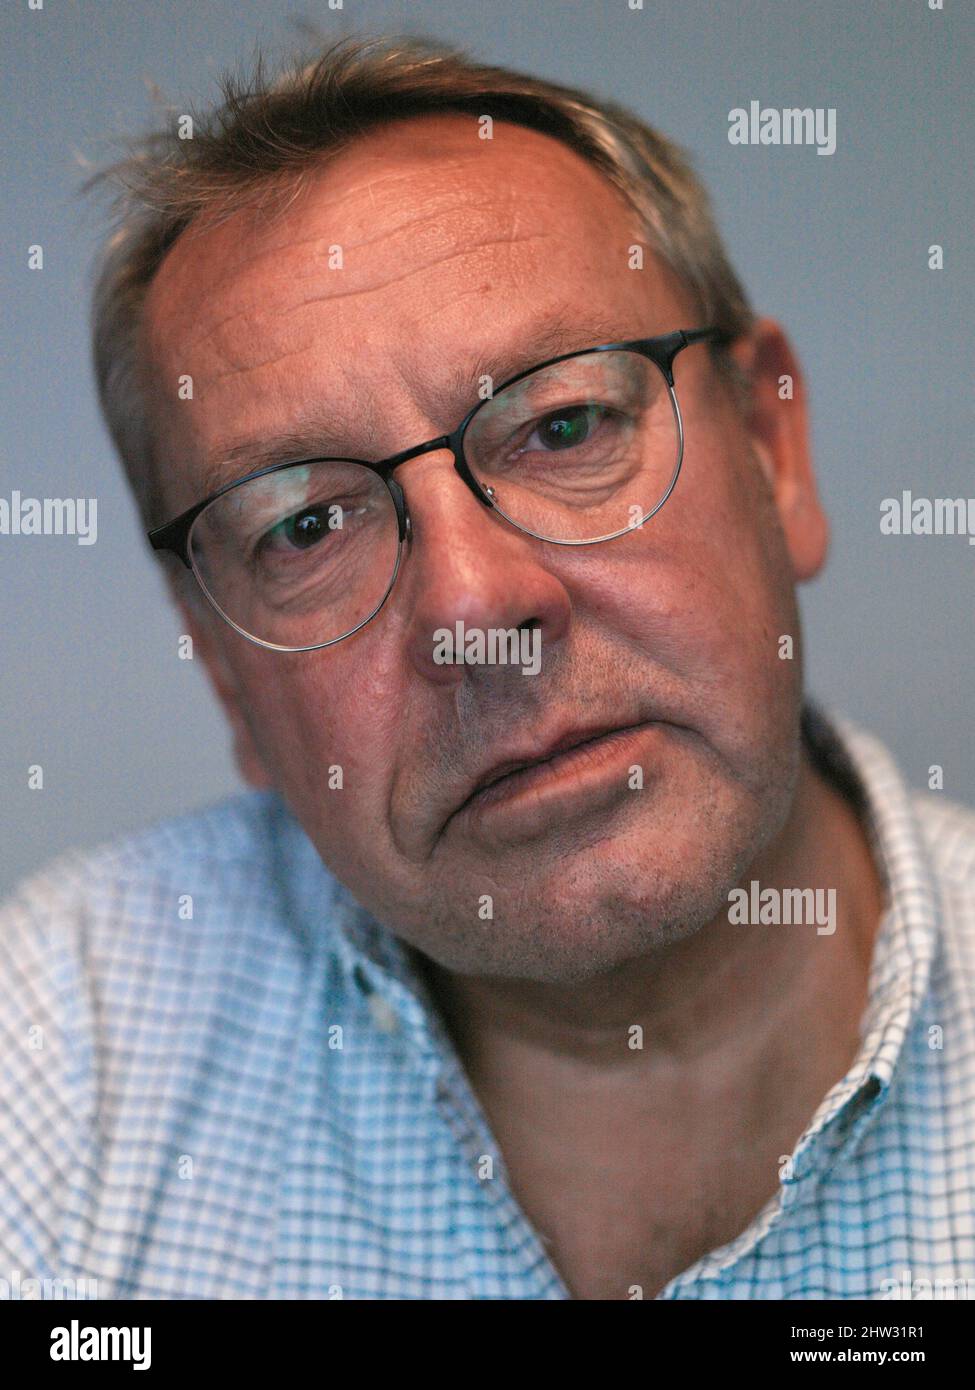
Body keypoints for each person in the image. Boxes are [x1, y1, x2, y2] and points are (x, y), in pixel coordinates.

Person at [2, 33, 973, 1302]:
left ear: (771, 449)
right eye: (306, 525)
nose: (473, 608)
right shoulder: (57, 1063)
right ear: (225, 673)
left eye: (564, 426)